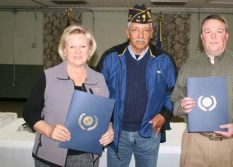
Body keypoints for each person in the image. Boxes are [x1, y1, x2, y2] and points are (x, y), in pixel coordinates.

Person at [171, 14, 233, 167]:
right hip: (195, 143)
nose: (213, 36)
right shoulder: (188, 66)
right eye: (208, 32)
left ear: (226, 36)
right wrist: (182, 106)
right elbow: (175, 102)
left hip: (230, 145)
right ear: (202, 37)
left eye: (219, 31)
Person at [95, 4, 177, 167]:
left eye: (145, 30)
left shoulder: (164, 60)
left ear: (151, 33)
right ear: (127, 32)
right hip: (117, 132)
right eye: (135, 29)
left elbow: (173, 93)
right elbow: (98, 93)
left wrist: (165, 115)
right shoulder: (111, 57)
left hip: (149, 132)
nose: (140, 35)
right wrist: (107, 121)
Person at [22, 25, 114, 167]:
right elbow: (29, 112)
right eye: (72, 46)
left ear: (89, 50)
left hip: (87, 157)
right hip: (51, 156)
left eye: (83, 46)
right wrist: (49, 130)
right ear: (64, 50)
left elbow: (105, 115)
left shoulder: (99, 79)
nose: (78, 51)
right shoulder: (48, 77)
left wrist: (109, 130)